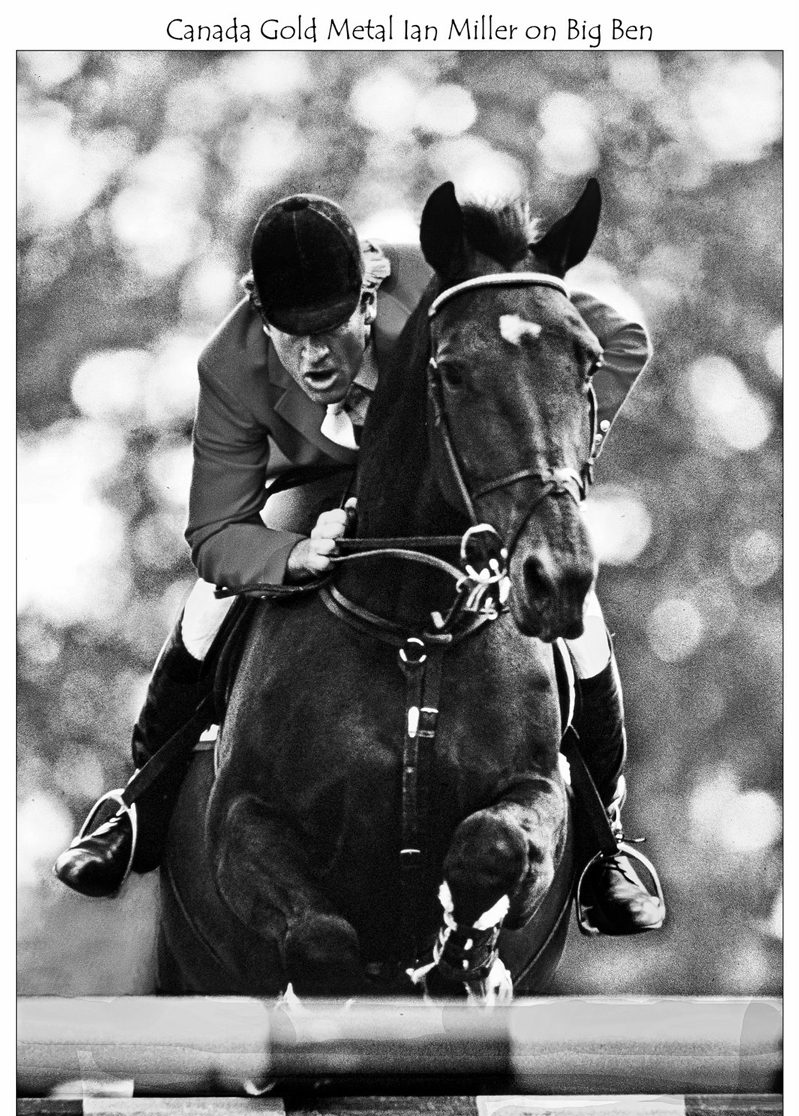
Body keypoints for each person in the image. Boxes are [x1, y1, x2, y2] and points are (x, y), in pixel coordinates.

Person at [55, 191, 665, 937]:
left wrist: (547, 463)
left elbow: (617, 337)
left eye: (331, 330)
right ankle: (136, 809)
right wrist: (292, 552)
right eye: (289, 335)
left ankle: (607, 845)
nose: (311, 357)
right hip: (309, 491)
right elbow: (215, 530)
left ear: (371, 296)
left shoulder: (448, 289)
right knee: (207, 603)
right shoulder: (232, 361)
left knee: (582, 621)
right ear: (258, 313)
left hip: (446, 487)